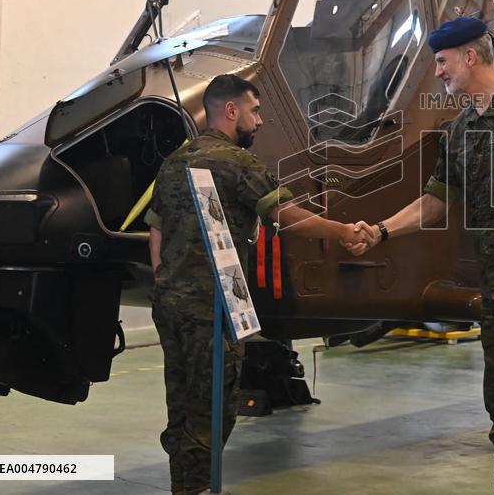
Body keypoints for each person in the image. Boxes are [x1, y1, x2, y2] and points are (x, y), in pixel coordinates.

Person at [351, 17, 494, 495]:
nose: (438, 72)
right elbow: (436, 200)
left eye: (442, 62)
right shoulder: (462, 127)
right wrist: (380, 231)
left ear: (469, 57)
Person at [145, 74, 366, 495]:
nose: (260, 121)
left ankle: (184, 485)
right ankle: (197, 488)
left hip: (171, 303)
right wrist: (341, 233)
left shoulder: (175, 162)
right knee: (214, 405)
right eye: (255, 109)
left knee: (181, 400)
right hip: (212, 308)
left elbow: (155, 231)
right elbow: (285, 215)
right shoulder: (237, 164)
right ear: (231, 111)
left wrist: (163, 280)